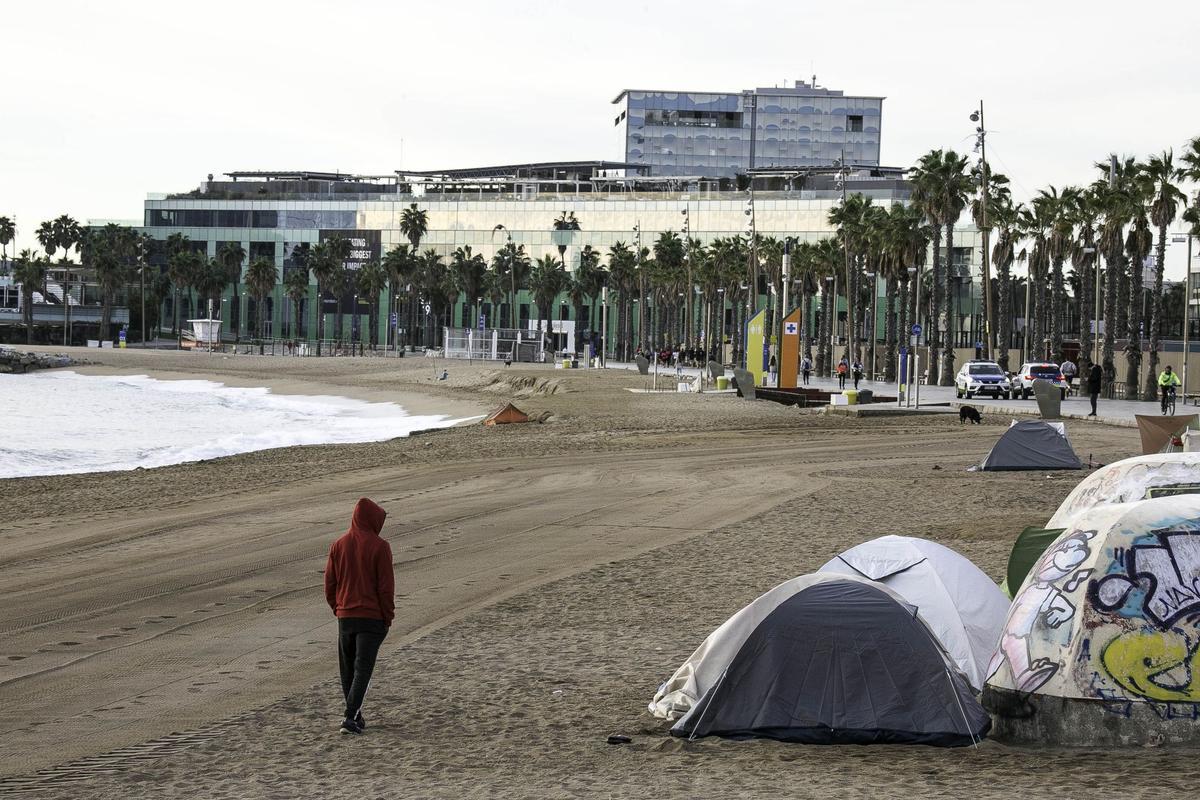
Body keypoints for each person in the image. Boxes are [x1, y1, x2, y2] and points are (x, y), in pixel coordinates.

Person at [325, 497, 394, 735]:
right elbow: (386, 588)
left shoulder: (338, 544)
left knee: (349, 669)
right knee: (362, 668)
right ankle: (351, 717)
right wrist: (388, 616)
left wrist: (338, 608)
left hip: (346, 616)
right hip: (370, 617)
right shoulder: (380, 546)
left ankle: (354, 714)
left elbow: (330, 585)